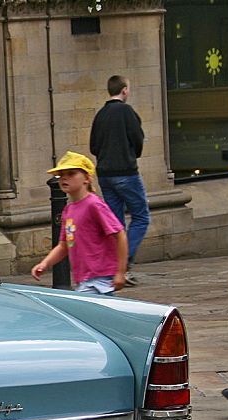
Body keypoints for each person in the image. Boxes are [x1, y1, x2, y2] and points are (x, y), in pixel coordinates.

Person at [31, 151, 127, 295]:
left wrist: (120, 272)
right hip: (84, 279)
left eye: (71, 173)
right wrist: (45, 263)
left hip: (100, 278)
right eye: (61, 175)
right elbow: (63, 245)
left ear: (86, 179)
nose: (64, 178)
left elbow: (119, 234)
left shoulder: (94, 204)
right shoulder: (68, 210)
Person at [90, 75, 149, 286]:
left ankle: (115, 267)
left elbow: (93, 147)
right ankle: (123, 263)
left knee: (115, 224)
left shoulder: (101, 115)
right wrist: (131, 154)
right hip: (126, 172)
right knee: (141, 217)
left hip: (105, 175)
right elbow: (138, 140)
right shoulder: (127, 111)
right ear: (124, 90)